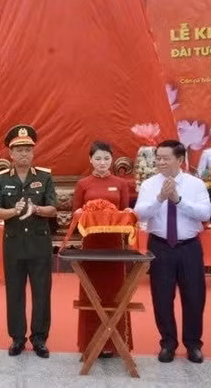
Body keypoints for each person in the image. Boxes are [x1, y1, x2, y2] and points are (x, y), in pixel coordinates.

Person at [134, 140, 211, 364]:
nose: (160, 162)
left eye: (165, 158)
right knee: (162, 297)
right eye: (158, 158)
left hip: (189, 247)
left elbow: (205, 214)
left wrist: (178, 200)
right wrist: (159, 199)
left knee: (194, 297)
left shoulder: (195, 185)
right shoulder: (149, 184)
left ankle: (193, 344)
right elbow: (140, 213)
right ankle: (168, 343)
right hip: (160, 246)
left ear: (180, 160)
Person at [0, 125, 57, 358]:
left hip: (39, 244)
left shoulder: (44, 177)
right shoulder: (0, 180)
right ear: (10, 153)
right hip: (14, 243)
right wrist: (13, 212)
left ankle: (39, 338)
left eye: (28, 149)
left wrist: (36, 208)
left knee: (42, 292)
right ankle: (17, 338)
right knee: (15, 291)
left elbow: (53, 209)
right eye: (19, 150)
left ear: (33, 152)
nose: (24, 154)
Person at [72, 141, 132, 358]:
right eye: (98, 158)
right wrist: (84, 213)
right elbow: (76, 213)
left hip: (115, 245)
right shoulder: (83, 184)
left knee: (115, 291)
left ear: (112, 159)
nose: (102, 163)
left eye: (106, 158)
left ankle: (115, 343)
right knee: (92, 292)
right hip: (91, 244)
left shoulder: (121, 183)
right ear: (90, 160)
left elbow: (126, 211)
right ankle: (91, 342)